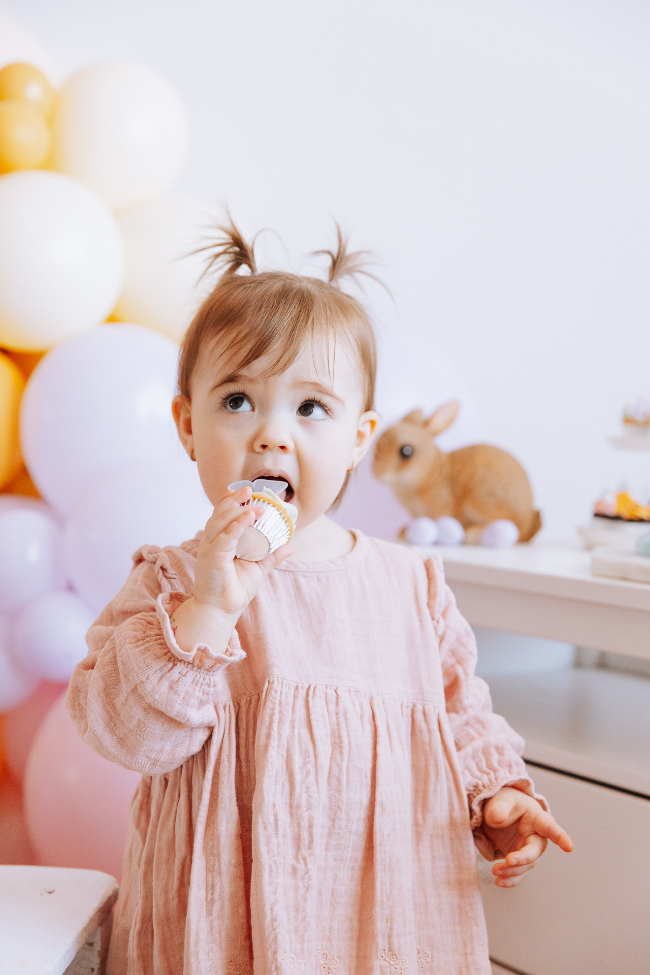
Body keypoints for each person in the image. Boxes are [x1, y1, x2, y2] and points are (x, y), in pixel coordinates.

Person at [67, 218, 573, 975]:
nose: (272, 434)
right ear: (186, 426)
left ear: (359, 438)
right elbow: (127, 735)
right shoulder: (172, 580)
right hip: (222, 928)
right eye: (238, 400)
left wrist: (495, 793)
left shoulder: (411, 583)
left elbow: (460, 713)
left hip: (386, 924)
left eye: (311, 409)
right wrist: (208, 609)